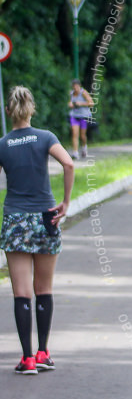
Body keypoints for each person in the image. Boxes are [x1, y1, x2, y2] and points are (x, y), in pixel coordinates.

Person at [0, 86, 75, 374]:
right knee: (43, 289)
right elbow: (68, 163)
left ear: (9, 111)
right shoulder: (46, 137)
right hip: (46, 219)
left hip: (15, 220)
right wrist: (65, 202)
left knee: (22, 293)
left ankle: (27, 358)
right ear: (32, 110)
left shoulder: (3, 144)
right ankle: (44, 352)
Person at [67, 78, 94, 159]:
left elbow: (91, 103)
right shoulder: (71, 94)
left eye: (77, 87)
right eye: (74, 87)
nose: (75, 88)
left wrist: (81, 104)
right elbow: (69, 102)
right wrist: (70, 104)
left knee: (82, 135)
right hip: (74, 116)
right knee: (74, 134)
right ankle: (75, 152)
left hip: (83, 116)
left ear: (79, 86)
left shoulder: (83, 93)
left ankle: (84, 147)